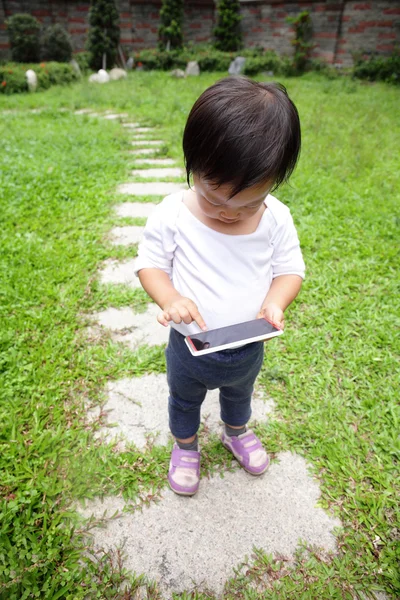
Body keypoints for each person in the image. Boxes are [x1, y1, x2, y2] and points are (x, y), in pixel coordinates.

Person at [135, 76, 305, 496]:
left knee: (239, 394)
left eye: (248, 203)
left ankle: (235, 431)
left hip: (247, 345)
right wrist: (170, 297)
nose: (229, 213)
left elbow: (289, 270)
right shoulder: (172, 215)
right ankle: (186, 446)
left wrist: (276, 302)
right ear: (193, 166)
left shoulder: (277, 218)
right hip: (190, 346)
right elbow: (150, 266)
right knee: (184, 400)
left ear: (275, 182)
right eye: (213, 198)